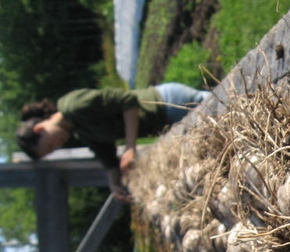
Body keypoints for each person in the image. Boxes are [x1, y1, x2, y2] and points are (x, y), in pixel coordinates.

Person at [16, 83, 211, 200]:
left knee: (218, 103)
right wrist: (114, 183)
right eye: (52, 150)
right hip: (166, 119)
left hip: (167, 103)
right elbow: (105, 155)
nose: (57, 145)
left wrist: (130, 147)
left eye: (50, 145)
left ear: (40, 129)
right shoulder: (78, 130)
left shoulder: (74, 106)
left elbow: (127, 101)